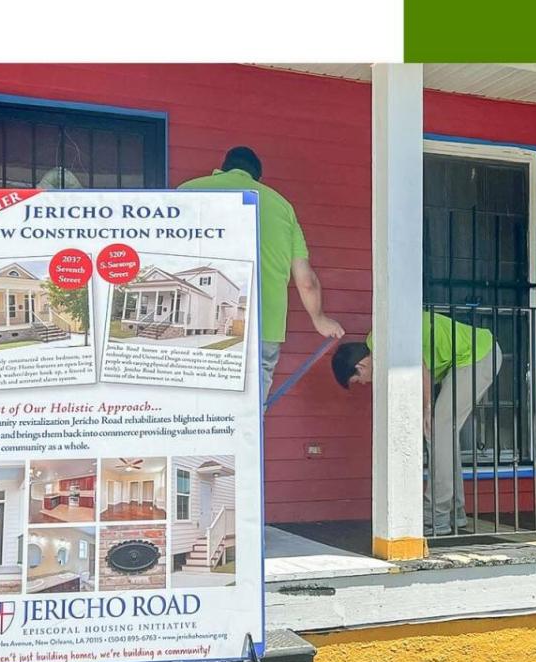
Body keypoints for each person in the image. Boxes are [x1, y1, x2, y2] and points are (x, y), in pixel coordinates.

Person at [180, 146, 343, 407]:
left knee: (196, 408)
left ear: (222, 169)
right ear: (257, 178)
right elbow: (306, 280)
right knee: (248, 419)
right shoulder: (282, 207)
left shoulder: (189, 191)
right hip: (263, 327)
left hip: (198, 320)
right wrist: (319, 319)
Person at [331, 311, 503, 535]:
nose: (364, 384)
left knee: (438, 431)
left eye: (358, 380)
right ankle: (454, 513)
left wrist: (427, 407)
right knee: (443, 435)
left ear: (361, 366)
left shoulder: (384, 342)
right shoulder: (381, 342)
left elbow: (419, 365)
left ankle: (435, 515)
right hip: (467, 359)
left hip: (479, 355)